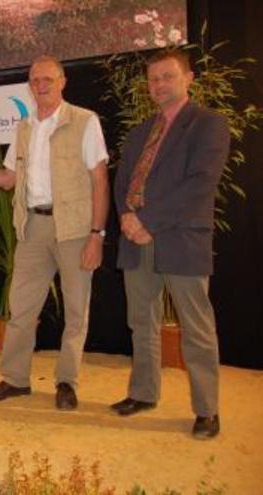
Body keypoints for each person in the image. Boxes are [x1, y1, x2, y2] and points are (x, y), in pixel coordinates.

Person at [0, 55, 109, 410]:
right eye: (34, 80)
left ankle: (66, 382)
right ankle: (15, 380)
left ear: (62, 82)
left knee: (76, 311)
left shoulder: (84, 121)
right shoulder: (25, 127)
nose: (41, 85)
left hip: (75, 228)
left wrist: (97, 234)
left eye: (48, 79)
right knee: (21, 309)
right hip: (32, 227)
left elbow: (99, 180)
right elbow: (8, 180)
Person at [111, 49, 230, 439]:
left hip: (180, 239)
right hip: (136, 241)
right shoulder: (140, 132)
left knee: (196, 329)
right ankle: (144, 393)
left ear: (188, 78)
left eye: (167, 76)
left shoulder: (208, 125)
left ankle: (207, 410)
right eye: (153, 79)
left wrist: (148, 221)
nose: (158, 84)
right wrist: (128, 220)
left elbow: (199, 185)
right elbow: (123, 182)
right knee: (140, 323)